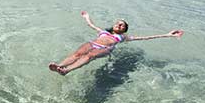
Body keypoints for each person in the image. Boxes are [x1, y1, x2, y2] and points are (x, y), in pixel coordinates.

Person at [49, 11, 183, 75]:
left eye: (122, 25)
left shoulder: (123, 37)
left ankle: (66, 70)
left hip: (105, 48)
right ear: (113, 26)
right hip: (93, 43)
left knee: (89, 56)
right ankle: (59, 66)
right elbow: (91, 25)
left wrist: (167, 35)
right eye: (118, 23)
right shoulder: (103, 32)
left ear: (124, 29)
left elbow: (145, 38)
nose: (119, 25)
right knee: (78, 53)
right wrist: (87, 17)